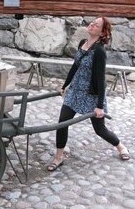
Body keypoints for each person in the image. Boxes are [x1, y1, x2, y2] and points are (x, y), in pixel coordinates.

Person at [47, 16, 130, 172]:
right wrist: (65, 85)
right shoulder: (82, 44)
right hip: (75, 92)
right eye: (93, 22)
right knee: (62, 123)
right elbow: (75, 66)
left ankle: (120, 146)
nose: (92, 24)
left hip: (92, 95)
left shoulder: (99, 51)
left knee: (100, 130)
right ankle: (59, 158)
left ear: (102, 32)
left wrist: (99, 106)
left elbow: (100, 80)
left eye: (96, 24)